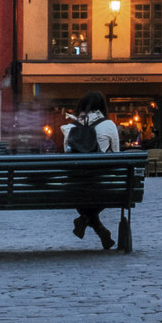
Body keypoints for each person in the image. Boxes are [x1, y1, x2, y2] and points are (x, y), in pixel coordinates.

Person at [64, 90, 121, 250]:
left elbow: (66, 158)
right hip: (102, 186)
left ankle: (88, 221)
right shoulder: (109, 125)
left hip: (76, 188)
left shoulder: (70, 128)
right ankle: (92, 224)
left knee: (83, 196)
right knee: (100, 191)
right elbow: (116, 156)